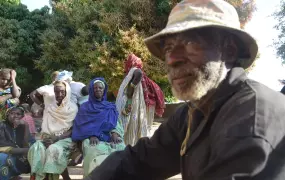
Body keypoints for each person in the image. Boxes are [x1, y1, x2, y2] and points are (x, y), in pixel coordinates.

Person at [84, 0, 285, 180]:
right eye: (168, 48)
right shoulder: (193, 112)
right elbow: (140, 160)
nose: (171, 59)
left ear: (229, 51)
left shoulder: (252, 117)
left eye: (191, 42)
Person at [72, 78, 125, 177]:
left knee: (121, 148)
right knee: (92, 151)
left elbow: (116, 122)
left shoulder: (110, 107)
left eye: (100, 88)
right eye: (95, 88)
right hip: (90, 138)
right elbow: (81, 125)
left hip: (109, 137)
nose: (98, 89)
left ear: (104, 90)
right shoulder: (85, 107)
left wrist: (115, 133)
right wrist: (91, 135)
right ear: (92, 90)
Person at [28, 81, 78, 180]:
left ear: (67, 92)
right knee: (36, 148)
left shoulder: (73, 108)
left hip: (65, 139)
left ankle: (51, 177)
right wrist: (47, 138)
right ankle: (39, 177)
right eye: (56, 92)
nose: (59, 95)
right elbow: (46, 127)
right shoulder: (50, 107)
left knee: (53, 149)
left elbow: (73, 130)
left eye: (62, 92)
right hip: (47, 137)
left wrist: (56, 138)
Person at [116, 54, 165, 145]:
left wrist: (131, 91)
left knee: (131, 124)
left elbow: (139, 73)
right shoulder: (131, 72)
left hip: (132, 103)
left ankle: (131, 145)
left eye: (127, 61)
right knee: (133, 125)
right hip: (135, 103)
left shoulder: (135, 70)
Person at [0, 106, 32, 180]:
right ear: (7, 114)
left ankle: (13, 175)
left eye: (18, 114)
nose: (15, 116)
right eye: (12, 113)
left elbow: (25, 144)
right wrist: (23, 150)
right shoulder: (2, 125)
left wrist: (26, 126)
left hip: (17, 155)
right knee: (2, 158)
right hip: (4, 152)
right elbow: (2, 143)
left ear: (22, 116)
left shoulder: (22, 126)